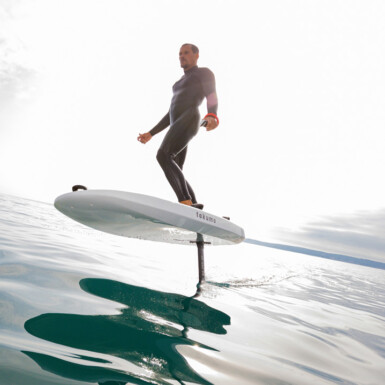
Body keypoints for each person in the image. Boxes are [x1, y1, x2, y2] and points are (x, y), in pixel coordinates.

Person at [137, 43, 219, 209]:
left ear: (196, 55)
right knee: (176, 166)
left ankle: (185, 202)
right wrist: (151, 133)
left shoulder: (203, 73)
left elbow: (211, 93)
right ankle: (194, 208)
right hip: (177, 122)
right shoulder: (178, 83)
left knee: (163, 155)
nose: (182, 56)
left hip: (190, 117)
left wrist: (212, 114)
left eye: (186, 52)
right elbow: (170, 113)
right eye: (180, 53)